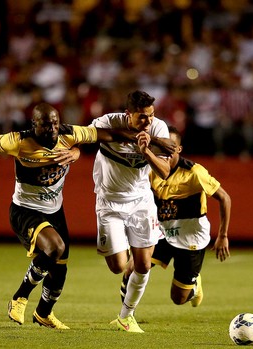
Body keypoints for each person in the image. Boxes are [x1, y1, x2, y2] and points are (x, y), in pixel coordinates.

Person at [0, 103, 175, 329]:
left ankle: (43, 314)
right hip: (26, 209)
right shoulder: (18, 141)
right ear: (34, 125)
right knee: (54, 248)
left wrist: (153, 141)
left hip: (55, 211)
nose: (52, 129)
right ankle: (19, 297)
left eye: (55, 123)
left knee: (60, 270)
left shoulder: (69, 134)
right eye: (46, 125)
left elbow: (110, 134)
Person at [120, 126, 231, 307]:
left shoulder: (194, 173)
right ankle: (125, 316)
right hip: (162, 233)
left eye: (171, 148)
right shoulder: (149, 171)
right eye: (162, 147)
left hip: (191, 237)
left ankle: (194, 287)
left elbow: (225, 198)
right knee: (132, 268)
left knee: (178, 299)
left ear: (179, 149)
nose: (165, 152)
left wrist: (223, 235)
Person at [91, 90, 172, 333]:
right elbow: (84, 137)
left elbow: (165, 172)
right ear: (128, 115)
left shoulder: (158, 128)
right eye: (142, 117)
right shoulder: (107, 122)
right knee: (118, 266)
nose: (148, 122)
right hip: (110, 202)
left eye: (151, 116)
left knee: (144, 265)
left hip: (141, 201)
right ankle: (125, 249)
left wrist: (146, 151)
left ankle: (126, 316)